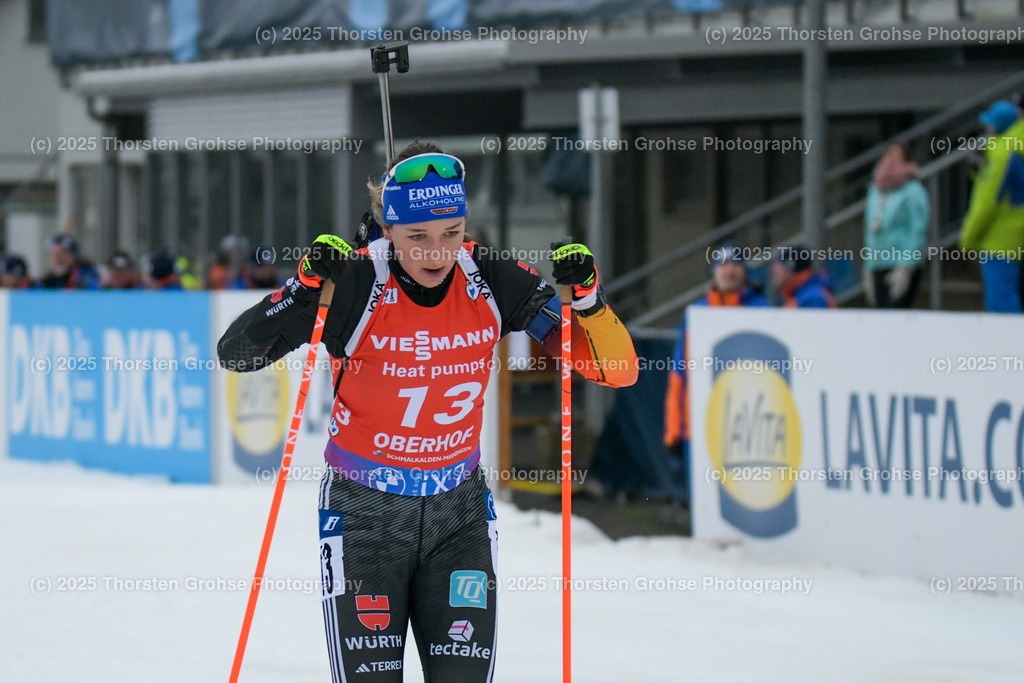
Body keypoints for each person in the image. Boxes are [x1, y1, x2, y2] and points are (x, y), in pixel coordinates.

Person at [217, 141, 638, 682]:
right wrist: (304, 287)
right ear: (387, 228)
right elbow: (238, 353)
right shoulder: (356, 282)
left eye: (452, 233)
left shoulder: (491, 278)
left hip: (456, 515)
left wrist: (588, 301)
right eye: (418, 237)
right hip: (363, 513)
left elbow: (615, 370)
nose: (437, 252)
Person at [663, 242, 769, 493]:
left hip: (747, 427)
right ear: (714, 271)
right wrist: (673, 428)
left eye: (735, 265)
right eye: (723, 265)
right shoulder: (697, 314)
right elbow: (679, 375)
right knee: (701, 499)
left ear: (744, 271)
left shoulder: (762, 312)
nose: (729, 271)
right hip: (697, 425)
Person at [960, 100, 1024, 312]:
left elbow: (988, 202)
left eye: (989, 125)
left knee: (1002, 305)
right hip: (1012, 234)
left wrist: (969, 235)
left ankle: (1010, 346)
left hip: (1000, 238)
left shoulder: (1002, 153)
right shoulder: (1013, 149)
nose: (986, 130)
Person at [862, 145, 930, 308]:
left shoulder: (913, 190)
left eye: (897, 155)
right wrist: (868, 266)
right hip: (878, 262)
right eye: (888, 154)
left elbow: (917, 229)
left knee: (897, 312)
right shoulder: (876, 189)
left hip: (899, 263)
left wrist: (907, 265)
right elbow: (870, 228)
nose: (891, 160)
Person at [772, 244, 836, 308]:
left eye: (779, 265)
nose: (774, 270)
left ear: (790, 266)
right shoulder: (797, 296)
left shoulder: (813, 297)